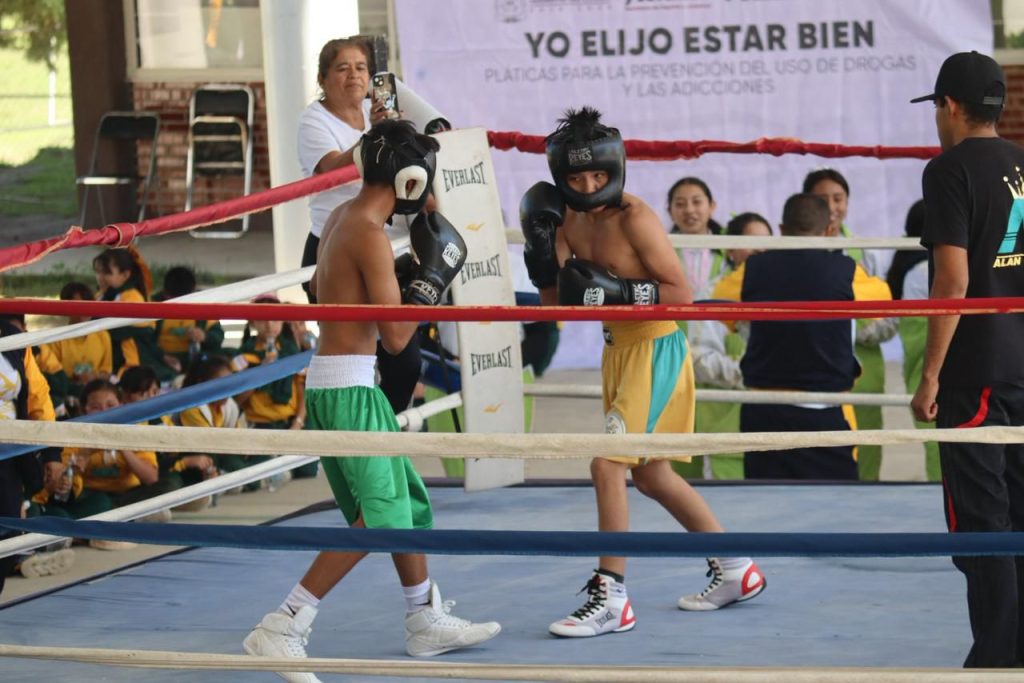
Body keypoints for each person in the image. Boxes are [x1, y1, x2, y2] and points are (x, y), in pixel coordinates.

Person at [243, 120, 500, 681]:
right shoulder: (370, 234)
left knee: (404, 505)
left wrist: (405, 275)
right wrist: (431, 280)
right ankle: (283, 624)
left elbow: (339, 296)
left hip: (345, 380)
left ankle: (424, 617)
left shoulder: (343, 217)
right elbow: (398, 337)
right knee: (379, 518)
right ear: (411, 179)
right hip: (351, 387)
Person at [520, 107, 765, 638]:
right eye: (577, 177)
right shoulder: (564, 216)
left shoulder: (636, 218)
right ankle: (735, 568)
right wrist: (541, 252)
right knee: (651, 474)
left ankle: (611, 596)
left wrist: (622, 293)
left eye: (597, 175)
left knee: (607, 465)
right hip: (619, 351)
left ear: (615, 168)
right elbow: (554, 305)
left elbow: (681, 296)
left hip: (655, 347)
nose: (588, 186)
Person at [910, 50, 1024, 669]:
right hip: (1021, 363)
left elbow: (951, 281)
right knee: (1021, 515)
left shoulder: (948, 170)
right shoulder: (1023, 166)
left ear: (949, 106)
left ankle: (997, 662)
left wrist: (929, 375)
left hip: (975, 371)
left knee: (983, 523)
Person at [713, 194, 891, 480]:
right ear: (830, 231)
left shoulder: (753, 270)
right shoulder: (846, 271)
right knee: (837, 506)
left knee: (766, 504)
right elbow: (883, 300)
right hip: (824, 408)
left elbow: (719, 303)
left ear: (781, 229)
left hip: (764, 410)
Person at [298, 36, 423, 418]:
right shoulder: (314, 120)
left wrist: (390, 133)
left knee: (399, 359)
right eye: (342, 68)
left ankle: (379, 429)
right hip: (334, 239)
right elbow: (331, 168)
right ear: (323, 77)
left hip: (375, 236)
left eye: (361, 67)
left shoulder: (376, 113)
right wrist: (377, 141)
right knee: (360, 350)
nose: (353, 75)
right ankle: (368, 434)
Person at [803, 169, 897, 480]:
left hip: (864, 371)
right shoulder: (792, 250)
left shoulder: (865, 251)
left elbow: (890, 315)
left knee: (867, 452)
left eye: (838, 198)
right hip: (811, 370)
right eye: (822, 199)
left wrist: (849, 331)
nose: (832, 206)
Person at [685, 212, 773, 480]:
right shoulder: (713, 295)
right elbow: (698, 359)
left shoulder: (781, 292)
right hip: (726, 432)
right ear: (731, 249)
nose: (760, 249)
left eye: (767, 242)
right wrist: (753, 374)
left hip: (775, 429)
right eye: (750, 241)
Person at [0, 315, 72, 588]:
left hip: (7, 458)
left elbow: (38, 396)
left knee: (7, 537)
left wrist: (52, 451)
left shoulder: (12, 338)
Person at [233, 295, 315, 480]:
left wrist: (298, 423)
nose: (270, 324)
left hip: (289, 423)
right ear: (252, 322)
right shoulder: (243, 356)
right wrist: (262, 371)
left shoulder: (291, 352)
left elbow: (303, 391)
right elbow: (237, 400)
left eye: (275, 318)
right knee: (261, 469)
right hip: (260, 426)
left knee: (306, 471)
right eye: (263, 319)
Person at [886, 200, 940, 481]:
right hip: (932, 371)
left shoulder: (911, 268)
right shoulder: (924, 271)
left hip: (924, 372)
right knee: (942, 445)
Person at [92, 248, 174, 382]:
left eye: (106, 272)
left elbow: (116, 329)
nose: (100, 277)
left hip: (133, 359)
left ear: (125, 275)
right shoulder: (101, 295)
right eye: (98, 272)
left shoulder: (132, 297)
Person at [35, 281, 113, 417]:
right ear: (65, 309)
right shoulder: (55, 339)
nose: (85, 310)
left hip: (96, 392)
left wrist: (93, 377)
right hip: (67, 394)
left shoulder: (103, 336)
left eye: (88, 304)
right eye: (78, 306)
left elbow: (107, 372)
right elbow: (55, 380)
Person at [152, 265, 225, 377]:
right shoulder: (151, 305)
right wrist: (162, 356)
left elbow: (218, 336)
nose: (178, 308)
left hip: (195, 360)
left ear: (192, 293)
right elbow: (143, 341)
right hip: (160, 361)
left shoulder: (203, 305)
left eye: (183, 303)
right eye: (173, 301)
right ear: (165, 293)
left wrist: (204, 336)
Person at [666, 177, 726, 300]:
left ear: (711, 206)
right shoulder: (661, 251)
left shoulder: (731, 250)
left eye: (697, 202)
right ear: (670, 212)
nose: (689, 210)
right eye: (680, 204)